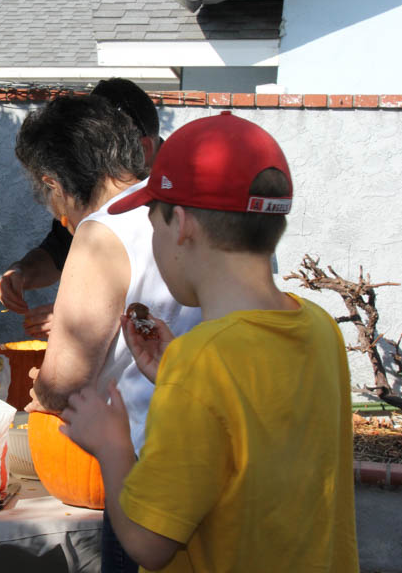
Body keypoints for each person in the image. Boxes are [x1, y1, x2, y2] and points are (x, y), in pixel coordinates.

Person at [60, 112, 358, 571]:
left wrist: (113, 447)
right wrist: (175, 368)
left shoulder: (201, 365)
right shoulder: (320, 326)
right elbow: (259, 434)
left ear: (181, 225)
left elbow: (149, 543)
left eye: (153, 224)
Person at [14, 94, 200, 573]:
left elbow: (62, 385)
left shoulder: (101, 232)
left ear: (52, 182)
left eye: (48, 194)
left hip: (139, 467)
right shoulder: (178, 209)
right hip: (205, 448)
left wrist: (38, 386)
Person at [0, 78, 163, 339]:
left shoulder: (174, 207)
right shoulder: (90, 203)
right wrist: (22, 272)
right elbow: (57, 250)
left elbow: (173, 306)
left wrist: (83, 319)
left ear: (142, 149)